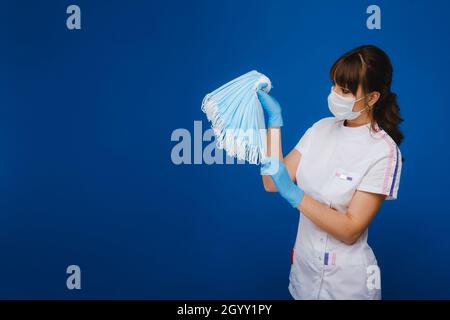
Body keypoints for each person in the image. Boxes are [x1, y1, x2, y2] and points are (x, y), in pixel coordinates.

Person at [259, 45, 404, 300]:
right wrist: (273, 123)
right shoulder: (320, 129)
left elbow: (350, 230)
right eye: (335, 86)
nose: (335, 94)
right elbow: (271, 182)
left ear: (372, 98)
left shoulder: (383, 151)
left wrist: (294, 194)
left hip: (347, 286)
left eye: (345, 90)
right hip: (304, 277)